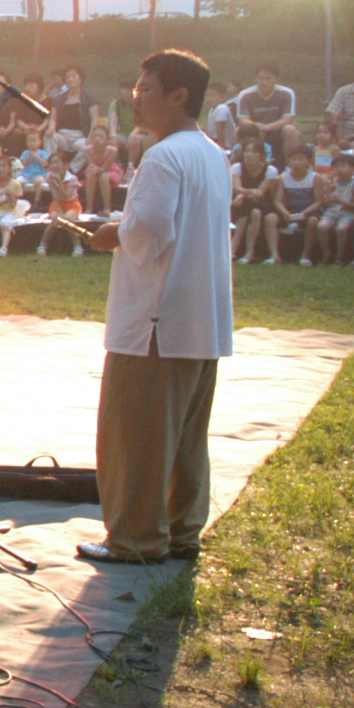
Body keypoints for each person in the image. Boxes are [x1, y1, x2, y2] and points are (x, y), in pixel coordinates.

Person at [82, 51, 233, 564]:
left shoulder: (163, 156)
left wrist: (109, 234)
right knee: (186, 437)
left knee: (137, 437)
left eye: (146, 88)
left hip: (156, 321)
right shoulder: (213, 154)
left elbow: (148, 232)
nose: (136, 97)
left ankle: (136, 538)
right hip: (200, 316)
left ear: (179, 95)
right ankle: (182, 530)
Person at [233, 64, 301, 160]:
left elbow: (288, 118)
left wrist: (267, 127)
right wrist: (257, 126)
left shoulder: (286, 93)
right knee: (237, 132)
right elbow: (242, 119)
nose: (264, 82)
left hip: (278, 129)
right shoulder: (245, 94)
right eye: (261, 78)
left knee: (290, 130)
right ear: (256, 79)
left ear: (276, 79)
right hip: (255, 130)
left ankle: (290, 166)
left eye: (268, 79)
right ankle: (235, 165)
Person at [228, 139, 277, 264]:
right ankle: (243, 250)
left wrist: (243, 195)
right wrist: (246, 193)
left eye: (254, 152)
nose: (249, 155)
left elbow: (260, 193)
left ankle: (240, 249)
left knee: (253, 209)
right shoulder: (237, 167)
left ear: (261, 155)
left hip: (263, 202)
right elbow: (237, 188)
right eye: (247, 151)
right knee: (252, 212)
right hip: (243, 203)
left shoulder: (270, 170)